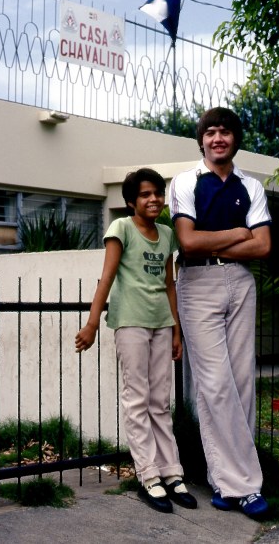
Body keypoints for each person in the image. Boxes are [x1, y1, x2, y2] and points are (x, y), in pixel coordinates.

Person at [169, 107, 272, 518]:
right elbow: (188, 243)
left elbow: (262, 247)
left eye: (225, 132)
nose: (218, 139)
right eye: (210, 133)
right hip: (198, 284)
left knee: (242, 381)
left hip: (240, 283)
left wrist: (216, 242)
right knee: (215, 384)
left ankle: (225, 483)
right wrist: (236, 233)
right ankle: (246, 487)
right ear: (201, 140)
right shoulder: (186, 182)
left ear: (235, 139)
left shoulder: (251, 185)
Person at [75, 167, 197, 514]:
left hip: (161, 323)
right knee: (138, 398)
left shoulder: (168, 233)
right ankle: (148, 475)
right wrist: (93, 323)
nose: (153, 199)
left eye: (157, 193)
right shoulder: (122, 228)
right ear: (131, 201)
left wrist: (176, 329)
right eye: (145, 194)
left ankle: (172, 473)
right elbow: (108, 275)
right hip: (131, 323)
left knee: (160, 400)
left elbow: (170, 284)